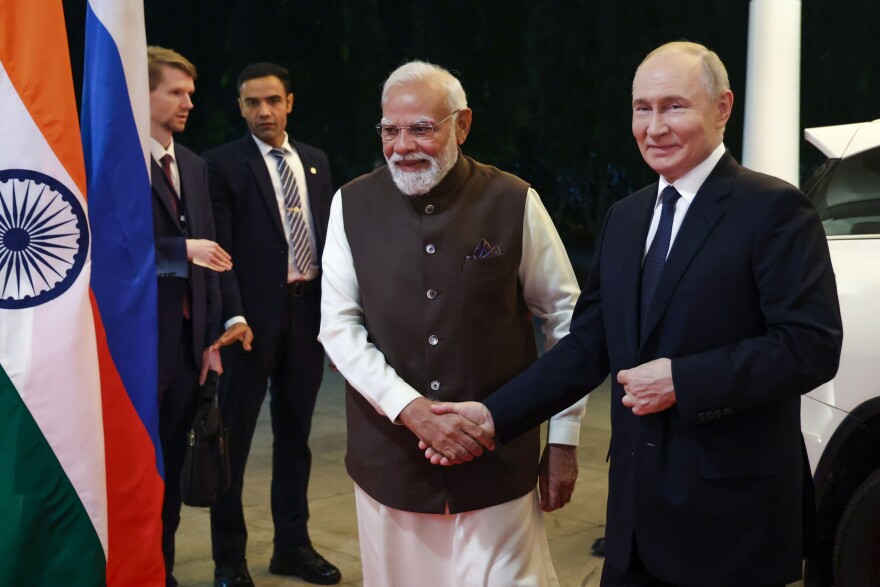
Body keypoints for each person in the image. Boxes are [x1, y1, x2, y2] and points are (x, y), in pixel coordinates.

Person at [426, 41, 844, 587]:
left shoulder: (774, 210)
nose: (654, 127)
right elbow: (586, 344)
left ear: (723, 108)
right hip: (633, 520)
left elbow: (810, 347)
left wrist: (681, 380)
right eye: (642, 108)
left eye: (674, 106)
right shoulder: (626, 217)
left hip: (731, 522)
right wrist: (494, 415)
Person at [318, 60, 587, 587]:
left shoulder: (513, 200)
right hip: (391, 464)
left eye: (421, 128)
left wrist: (563, 438)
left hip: (498, 462)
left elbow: (566, 317)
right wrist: (411, 410)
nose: (402, 146)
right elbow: (338, 328)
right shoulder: (350, 204)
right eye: (390, 130)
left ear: (462, 125)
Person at [203, 63, 339, 586]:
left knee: (295, 437)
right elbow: (222, 253)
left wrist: (336, 317)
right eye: (252, 103)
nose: (264, 111)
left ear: (290, 102)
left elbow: (329, 243)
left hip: (306, 315)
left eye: (273, 101)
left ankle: (292, 546)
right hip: (249, 324)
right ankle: (229, 560)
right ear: (240, 107)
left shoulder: (316, 163)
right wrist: (233, 314)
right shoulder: (222, 165)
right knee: (230, 442)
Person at [147, 46, 232, 587]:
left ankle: (163, 571)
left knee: (175, 464)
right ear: (144, 93)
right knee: (137, 468)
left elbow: (214, 260)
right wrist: (181, 250)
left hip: (186, 346)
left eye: (191, 93)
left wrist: (210, 339)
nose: (188, 103)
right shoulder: (111, 159)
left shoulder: (194, 165)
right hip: (135, 346)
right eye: (176, 92)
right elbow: (107, 247)